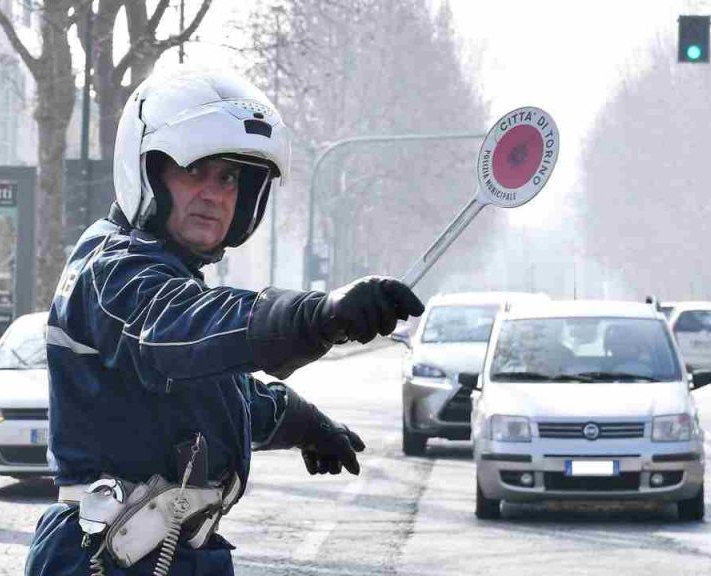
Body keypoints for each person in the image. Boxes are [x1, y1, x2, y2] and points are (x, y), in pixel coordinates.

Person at [25, 68, 424, 575]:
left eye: (230, 177)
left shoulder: (158, 270)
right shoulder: (114, 269)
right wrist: (318, 314)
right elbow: (177, 331)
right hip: (110, 557)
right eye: (195, 170)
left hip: (169, 551)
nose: (214, 194)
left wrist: (303, 422)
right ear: (148, 172)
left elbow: (212, 390)